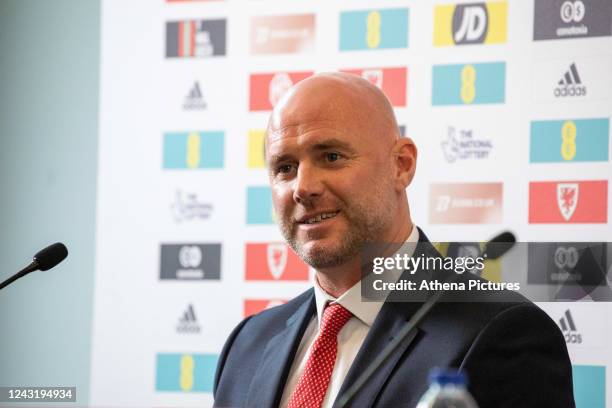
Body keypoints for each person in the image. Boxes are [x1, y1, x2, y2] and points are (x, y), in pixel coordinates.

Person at [213, 73, 575, 407]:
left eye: (331, 157)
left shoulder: (504, 335)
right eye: (285, 168)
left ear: (401, 164)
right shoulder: (248, 343)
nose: (303, 188)